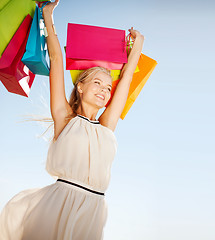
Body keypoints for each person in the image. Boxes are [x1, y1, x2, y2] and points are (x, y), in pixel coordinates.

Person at [0, 0, 144, 239]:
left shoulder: (107, 125)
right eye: (97, 83)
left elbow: (127, 78)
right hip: (59, 204)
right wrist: (48, 15)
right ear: (80, 87)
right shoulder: (65, 117)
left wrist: (138, 46)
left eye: (108, 88)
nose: (104, 91)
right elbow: (57, 59)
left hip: (95, 209)